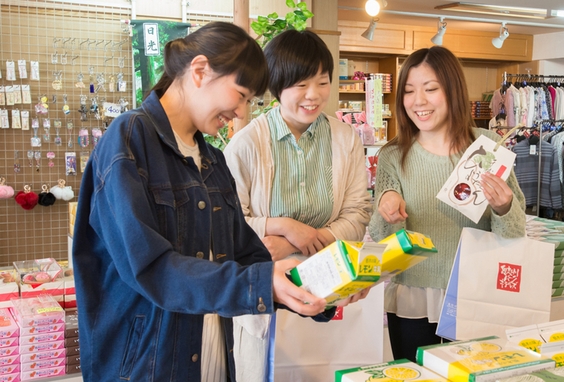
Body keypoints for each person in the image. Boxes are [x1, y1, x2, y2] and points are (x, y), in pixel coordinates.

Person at [72, 22, 336, 382]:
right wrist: (259, 283)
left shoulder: (213, 161)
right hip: (146, 368)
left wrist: (326, 287)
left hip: (212, 363)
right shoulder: (129, 140)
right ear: (199, 71)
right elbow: (152, 269)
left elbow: (247, 256)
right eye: (241, 94)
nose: (242, 112)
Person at [224, 30, 375, 381]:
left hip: (330, 294)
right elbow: (231, 225)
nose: (314, 95)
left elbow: (357, 212)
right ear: (277, 86)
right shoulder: (246, 145)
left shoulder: (345, 138)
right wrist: (281, 224)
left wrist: (293, 242)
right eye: (301, 85)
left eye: (322, 82)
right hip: (267, 298)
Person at [368, 46, 527, 362]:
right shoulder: (392, 155)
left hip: (474, 291)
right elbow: (380, 238)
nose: (418, 101)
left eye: (430, 89)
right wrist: (386, 207)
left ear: (453, 91)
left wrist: (504, 205)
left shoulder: (487, 147)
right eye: (409, 91)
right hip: (412, 294)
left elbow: (515, 234)